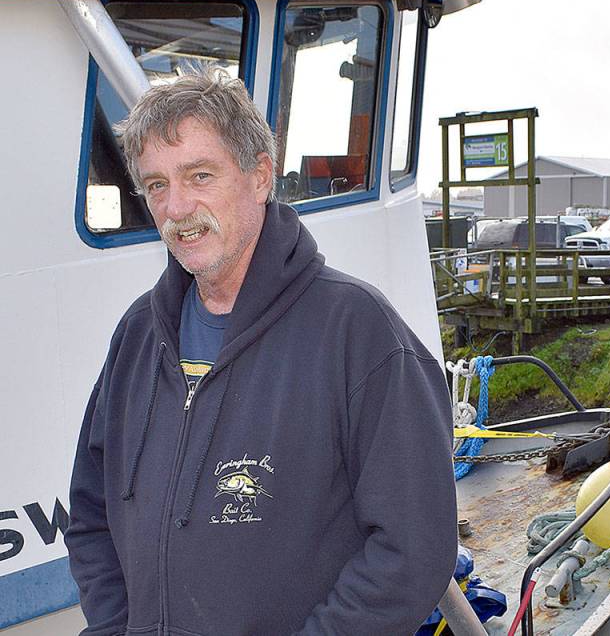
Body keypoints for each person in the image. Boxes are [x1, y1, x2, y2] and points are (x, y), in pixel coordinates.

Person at [64, 69, 458, 635]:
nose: (175, 208)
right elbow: (91, 516)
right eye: (155, 185)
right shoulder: (137, 337)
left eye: (199, 176)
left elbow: (413, 547)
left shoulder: (358, 333)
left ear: (259, 177)